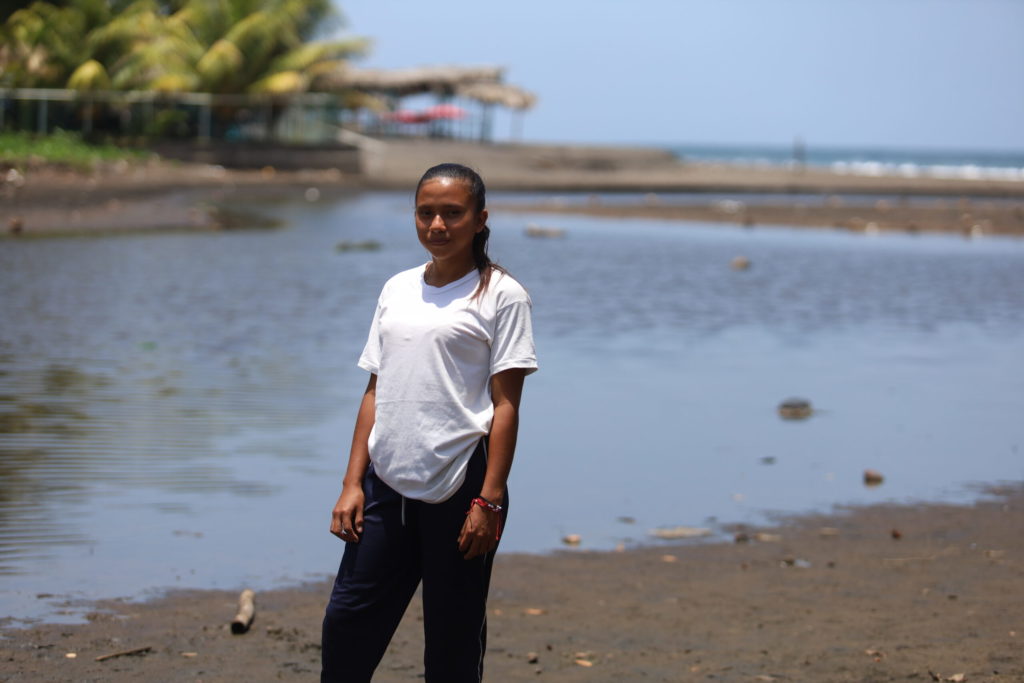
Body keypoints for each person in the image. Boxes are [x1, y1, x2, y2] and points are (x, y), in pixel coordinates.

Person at [321, 163, 538, 682]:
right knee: (347, 625)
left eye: (452, 213)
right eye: (426, 213)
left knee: (452, 640)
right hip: (385, 484)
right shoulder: (397, 288)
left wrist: (490, 500)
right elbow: (376, 389)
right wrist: (352, 483)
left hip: (462, 485)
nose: (437, 224)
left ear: (480, 219)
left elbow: (506, 405)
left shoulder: (502, 296)